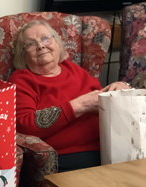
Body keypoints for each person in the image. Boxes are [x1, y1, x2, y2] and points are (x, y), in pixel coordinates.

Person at [8, 20, 130, 172]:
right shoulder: (22, 79)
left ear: (58, 43)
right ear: (23, 55)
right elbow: (23, 124)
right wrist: (78, 106)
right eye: (31, 44)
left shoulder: (73, 69)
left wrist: (121, 90)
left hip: (110, 149)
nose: (41, 45)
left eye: (46, 38)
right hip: (66, 158)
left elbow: (101, 100)